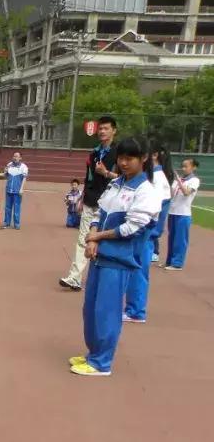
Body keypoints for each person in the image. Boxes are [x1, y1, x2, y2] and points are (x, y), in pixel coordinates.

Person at [69, 137, 160, 376]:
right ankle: (94, 353)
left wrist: (97, 238)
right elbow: (99, 211)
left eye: (129, 158)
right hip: (100, 255)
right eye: (121, 158)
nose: (124, 163)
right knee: (90, 309)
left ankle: (102, 362)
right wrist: (92, 235)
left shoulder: (145, 191)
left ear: (143, 159)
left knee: (106, 311)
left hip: (118, 259)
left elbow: (133, 228)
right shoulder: (116, 184)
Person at [60, 116, 117, 291]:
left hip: (109, 204)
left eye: (106, 128)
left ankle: (105, 279)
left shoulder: (120, 154)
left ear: (114, 131)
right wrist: (82, 198)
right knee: (83, 239)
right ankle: (75, 278)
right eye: (100, 128)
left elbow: (125, 179)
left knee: (104, 242)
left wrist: (106, 173)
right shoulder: (94, 153)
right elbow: (88, 178)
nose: (102, 131)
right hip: (91, 201)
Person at [124, 145, 174, 323]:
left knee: (137, 270)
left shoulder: (157, 179)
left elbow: (155, 209)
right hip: (145, 233)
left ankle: (136, 311)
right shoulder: (154, 177)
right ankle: (133, 309)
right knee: (135, 270)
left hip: (145, 233)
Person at [164, 158, 201, 271]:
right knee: (171, 239)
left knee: (180, 240)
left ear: (193, 167)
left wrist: (179, 181)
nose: (183, 168)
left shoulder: (194, 180)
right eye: (183, 166)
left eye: (186, 166)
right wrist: (169, 182)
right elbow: (170, 195)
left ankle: (177, 263)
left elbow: (186, 193)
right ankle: (169, 261)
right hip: (172, 212)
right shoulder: (178, 180)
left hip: (183, 214)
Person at [2, 152, 28, 229]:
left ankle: (17, 224)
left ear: (20, 158)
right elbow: (5, 175)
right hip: (9, 189)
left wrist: (21, 189)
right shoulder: (9, 165)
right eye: (14, 156)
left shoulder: (23, 167)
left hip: (17, 191)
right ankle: (7, 222)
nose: (15, 157)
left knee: (17, 207)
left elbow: (24, 178)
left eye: (17, 156)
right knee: (7, 207)